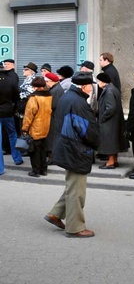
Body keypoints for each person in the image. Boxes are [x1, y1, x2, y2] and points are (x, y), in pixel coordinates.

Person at [44, 72, 100, 238]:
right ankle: (75, 227)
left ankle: (55, 213)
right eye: (90, 85)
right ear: (84, 86)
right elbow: (87, 131)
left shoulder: (67, 97)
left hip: (67, 146)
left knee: (73, 185)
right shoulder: (79, 103)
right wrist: (97, 142)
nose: (91, 88)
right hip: (76, 149)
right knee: (77, 191)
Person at [21, 77, 52, 177]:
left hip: (35, 128)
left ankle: (35, 171)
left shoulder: (34, 98)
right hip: (45, 127)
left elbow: (29, 115)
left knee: (34, 151)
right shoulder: (49, 96)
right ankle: (44, 169)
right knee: (43, 150)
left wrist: (25, 128)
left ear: (35, 86)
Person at [96, 73, 127, 169]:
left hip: (109, 122)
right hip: (114, 121)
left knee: (109, 142)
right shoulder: (113, 89)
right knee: (113, 141)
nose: (97, 83)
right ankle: (114, 160)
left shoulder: (108, 91)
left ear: (103, 82)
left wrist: (102, 118)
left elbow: (110, 108)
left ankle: (110, 162)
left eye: (98, 81)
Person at [0, 58, 22, 169]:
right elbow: (16, 96)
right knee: (12, 134)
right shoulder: (9, 80)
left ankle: (0, 168)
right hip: (7, 111)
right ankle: (17, 159)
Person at [44, 72, 63, 164]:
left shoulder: (55, 90)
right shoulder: (56, 88)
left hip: (54, 117)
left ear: (52, 81)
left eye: (47, 81)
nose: (46, 84)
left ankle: (52, 157)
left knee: (52, 137)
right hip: (54, 117)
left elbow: (53, 105)